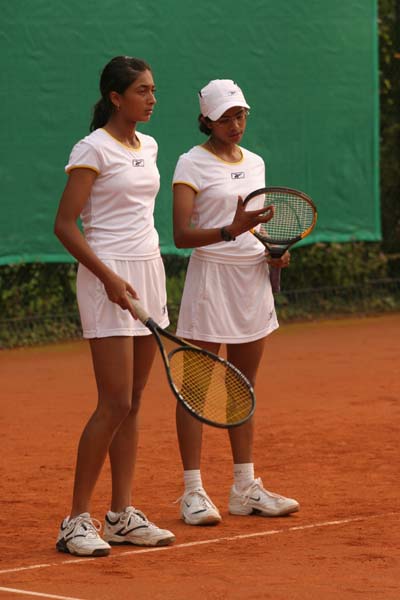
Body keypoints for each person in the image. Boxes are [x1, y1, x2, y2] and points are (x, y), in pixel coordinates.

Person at [54, 56, 175, 556]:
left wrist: (139, 276)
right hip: (107, 276)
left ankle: (122, 514)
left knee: (136, 400)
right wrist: (107, 277)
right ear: (115, 97)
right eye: (142, 90)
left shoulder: (150, 145)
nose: (152, 98)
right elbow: (65, 225)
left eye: (153, 89)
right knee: (115, 402)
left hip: (148, 271)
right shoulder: (92, 149)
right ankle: (75, 522)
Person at [172, 79, 300, 525]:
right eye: (224, 117)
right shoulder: (191, 162)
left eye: (240, 115)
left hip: (251, 281)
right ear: (205, 120)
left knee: (242, 386)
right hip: (211, 279)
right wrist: (232, 229)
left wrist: (274, 253)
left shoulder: (256, 162)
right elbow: (181, 235)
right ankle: (192, 491)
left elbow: (257, 229)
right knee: (195, 389)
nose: (234, 124)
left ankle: (244, 488)